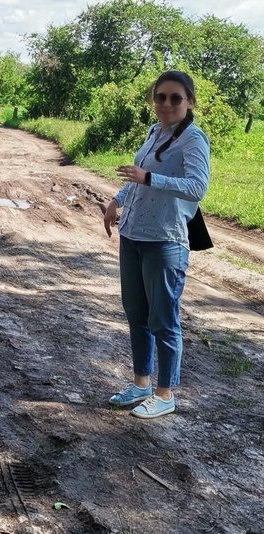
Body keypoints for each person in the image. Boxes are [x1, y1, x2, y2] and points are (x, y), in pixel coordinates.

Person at [103, 70, 210, 419]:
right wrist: (116, 200)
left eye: (175, 98)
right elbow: (136, 178)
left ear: (189, 102)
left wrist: (150, 177)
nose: (166, 104)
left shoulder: (193, 140)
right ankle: (141, 385)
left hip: (165, 241)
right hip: (133, 235)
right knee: (137, 315)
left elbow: (196, 187)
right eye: (160, 97)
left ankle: (165, 394)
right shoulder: (154, 132)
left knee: (163, 319)